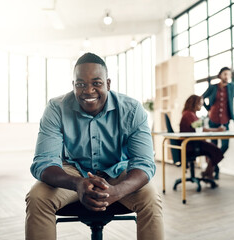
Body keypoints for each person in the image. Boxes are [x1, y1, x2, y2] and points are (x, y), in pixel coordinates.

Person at [25, 53, 163, 240]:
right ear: (73, 85)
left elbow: (144, 162)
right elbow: (43, 161)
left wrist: (118, 191)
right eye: (80, 84)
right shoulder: (56, 108)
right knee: (37, 197)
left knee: (151, 198)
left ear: (108, 83)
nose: (88, 90)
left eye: (96, 83)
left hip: (117, 172)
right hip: (73, 172)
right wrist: (77, 183)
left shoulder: (132, 109)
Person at [202, 67, 234, 178]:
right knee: (213, 147)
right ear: (220, 75)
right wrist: (208, 109)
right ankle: (215, 168)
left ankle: (211, 166)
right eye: (225, 74)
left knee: (225, 145)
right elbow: (202, 98)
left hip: (225, 122)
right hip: (213, 121)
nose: (227, 76)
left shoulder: (231, 88)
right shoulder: (213, 87)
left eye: (229, 74)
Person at [180, 95, 225, 179]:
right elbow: (201, 129)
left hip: (193, 143)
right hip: (191, 145)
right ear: (194, 103)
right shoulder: (189, 114)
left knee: (214, 151)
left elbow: (199, 128)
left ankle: (208, 173)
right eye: (200, 104)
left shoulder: (190, 114)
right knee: (217, 152)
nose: (201, 106)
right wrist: (217, 130)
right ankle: (208, 173)